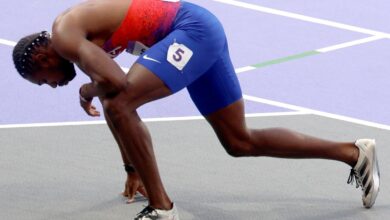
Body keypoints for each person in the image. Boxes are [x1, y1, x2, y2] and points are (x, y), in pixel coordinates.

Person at [12, 0, 380, 219]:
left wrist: (88, 87)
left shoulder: (64, 35)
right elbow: (114, 90)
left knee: (116, 100)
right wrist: (131, 166)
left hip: (192, 31)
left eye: (42, 79)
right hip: (196, 35)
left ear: (43, 56)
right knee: (239, 141)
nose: (51, 85)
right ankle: (353, 153)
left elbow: (117, 87)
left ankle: (162, 208)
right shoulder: (75, 40)